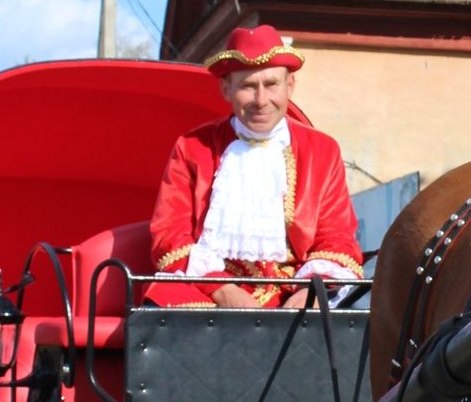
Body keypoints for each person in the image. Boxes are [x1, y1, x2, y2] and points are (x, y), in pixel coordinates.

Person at [148, 26, 363, 307]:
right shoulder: (192, 147)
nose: (261, 101)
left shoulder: (322, 150)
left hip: (294, 289)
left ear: (290, 86)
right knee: (161, 305)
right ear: (227, 89)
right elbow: (170, 235)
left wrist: (305, 296)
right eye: (248, 86)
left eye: (271, 84)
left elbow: (335, 236)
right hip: (208, 286)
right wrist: (223, 291)